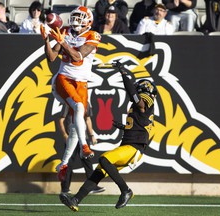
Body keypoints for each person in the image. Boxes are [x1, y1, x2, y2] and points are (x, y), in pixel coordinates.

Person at [59, 61, 157, 211]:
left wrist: (124, 74)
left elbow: (137, 99)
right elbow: (140, 126)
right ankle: (75, 200)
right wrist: (124, 127)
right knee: (99, 171)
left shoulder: (147, 102)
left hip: (134, 148)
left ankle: (126, 191)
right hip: (129, 147)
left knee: (104, 159)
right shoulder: (141, 109)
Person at [40, 6, 101, 180]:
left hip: (81, 83)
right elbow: (52, 58)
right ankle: (84, 146)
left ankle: (64, 164)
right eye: (74, 17)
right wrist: (46, 41)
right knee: (80, 108)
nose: (76, 20)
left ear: (88, 20)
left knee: (75, 125)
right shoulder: (65, 31)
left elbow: (77, 57)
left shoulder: (93, 35)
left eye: (80, 17)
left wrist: (62, 41)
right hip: (63, 79)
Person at [58, 103, 105, 194]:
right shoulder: (69, 102)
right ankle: (65, 189)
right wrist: (65, 135)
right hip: (71, 138)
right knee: (68, 163)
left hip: (83, 139)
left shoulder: (86, 103)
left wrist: (91, 135)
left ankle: (92, 186)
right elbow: (61, 119)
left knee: (88, 163)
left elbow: (88, 119)